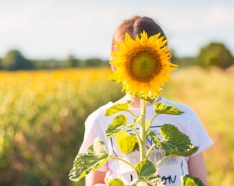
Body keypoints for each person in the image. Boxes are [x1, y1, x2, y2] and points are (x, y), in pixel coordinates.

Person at [78, 15, 214, 186]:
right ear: (115, 65)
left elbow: (200, 181)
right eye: (132, 60)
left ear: (164, 59)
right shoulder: (101, 120)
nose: (141, 65)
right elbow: (94, 182)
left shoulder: (185, 116)